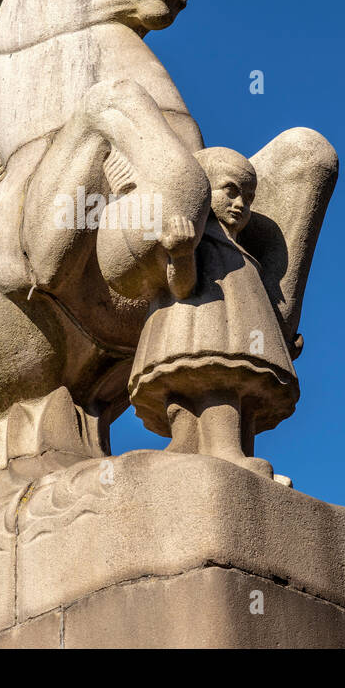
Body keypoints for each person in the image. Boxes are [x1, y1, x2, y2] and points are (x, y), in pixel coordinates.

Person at [128, 147, 299, 477]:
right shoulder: (199, 238)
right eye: (230, 191)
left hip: (226, 335)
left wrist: (279, 335)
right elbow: (182, 287)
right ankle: (221, 451)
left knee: (238, 393)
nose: (240, 204)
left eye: (248, 198)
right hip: (202, 330)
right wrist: (181, 255)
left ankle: (216, 449)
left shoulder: (240, 249)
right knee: (217, 385)